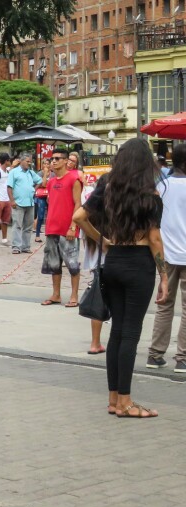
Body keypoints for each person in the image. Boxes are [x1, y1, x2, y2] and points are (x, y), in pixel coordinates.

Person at [73, 138, 167, 418]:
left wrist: (102, 240)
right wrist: (163, 276)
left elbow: (79, 216)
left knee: (116, 332)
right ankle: (126, 402)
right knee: (130, 333)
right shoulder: (150, 196)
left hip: (113, 260)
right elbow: (154, 238)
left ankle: (114, 399)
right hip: (139, 265)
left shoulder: (106, 187)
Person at [147, 143, 186, 372]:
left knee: (164, 305)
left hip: (166, 255)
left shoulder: (161, 186)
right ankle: (182, 358)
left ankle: (155, 354)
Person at [41, 148, 82, 307]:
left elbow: (78, 203)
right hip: (52, 228)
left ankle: (74, 295)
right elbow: (52, 203)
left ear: (66, 161)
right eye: (52, 159)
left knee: (72, 264)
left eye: (58, 158)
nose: (54, 161)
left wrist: (73, 226)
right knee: (54, 264)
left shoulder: (74, 178)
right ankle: (56, 294)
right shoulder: (51, 181)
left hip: (68, 229)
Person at [80, 175, 106, 356]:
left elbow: (84, 242)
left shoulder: (89, 216)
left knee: (99, 301)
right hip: (112, 263)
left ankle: (95, 342)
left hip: (96, 264)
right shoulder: (114, 214)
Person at [9, 152, 41, 254]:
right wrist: (12, 200)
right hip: (18, 203)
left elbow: (40, 181)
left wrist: (33, 189)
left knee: (28, 227)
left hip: (30, 203)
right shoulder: (14, 172)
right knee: (17, 225)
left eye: (30, 162)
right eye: (27, 161)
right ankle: (16, 247)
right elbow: (9, 187)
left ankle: (26, 246)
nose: (29, 163)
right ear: (21, 161)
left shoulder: (31, 172)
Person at [34, 158, 50, 243]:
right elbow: (43, 184)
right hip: (41, 196)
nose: (46, 165)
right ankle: (37, 235)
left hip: (50, 197)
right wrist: (45, 174)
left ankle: (49, 233)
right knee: (40, 216)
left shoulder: (53, 174)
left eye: (48, 164)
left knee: (50, 216)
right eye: (45, 164)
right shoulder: (39, 174)